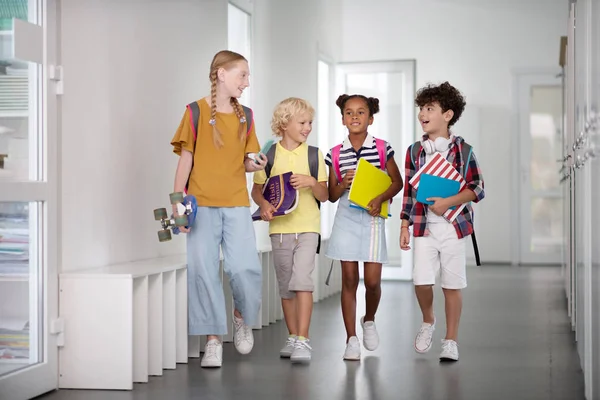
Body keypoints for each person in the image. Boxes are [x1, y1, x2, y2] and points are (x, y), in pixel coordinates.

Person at [170, 50, 266, 368]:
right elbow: (186, 161)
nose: (247, 82)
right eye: (243, 75)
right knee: (203, 273)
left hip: (237, 203)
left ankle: (240, 316)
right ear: (221, 74)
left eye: (248, 76)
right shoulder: (195, 112)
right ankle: (212, 339)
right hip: (200, 206)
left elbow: (247, 162)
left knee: (244, 269)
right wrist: (176, 205)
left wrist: (256, 162)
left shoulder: (246, 116)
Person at [400, 81, 485, 362]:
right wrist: (404, 225)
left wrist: (448, 202)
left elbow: (478, 188)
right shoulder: (414, 152)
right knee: (422, 282)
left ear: (447, 115)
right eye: (421, 109)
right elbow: (408, 193)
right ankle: (428, 320)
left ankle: (451, 340)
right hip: (423, 227)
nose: (422, 114)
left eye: (429, 108)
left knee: (452, 285)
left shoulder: (464, 151)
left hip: (454, 228)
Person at [325, 94, 403, 361]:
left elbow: (397, 182)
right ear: (343, 118)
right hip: (346, 218)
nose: (354, 116)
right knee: (348, 280)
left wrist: (380, 198)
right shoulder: (334, 154)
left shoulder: (382, 148)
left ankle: (368, 319)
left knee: (372, 282)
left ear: (370, 118)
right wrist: (342, 184)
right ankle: (351, 339)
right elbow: (331, 195)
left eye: (361, 112)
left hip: (372, 218)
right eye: (349, 112)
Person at [251, 97, 328, 364]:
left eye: (310, 123)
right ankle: (293, 336)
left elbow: (325, 194)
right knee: (286, 288)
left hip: (308, 228)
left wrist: (310, 182)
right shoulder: (269, 154)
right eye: (303, 122)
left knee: (302, 282)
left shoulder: (313, 154)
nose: (308, 128)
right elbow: (257, 190)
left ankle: (304, 340)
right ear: (285, 123)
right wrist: (262, 206)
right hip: (279, 230)